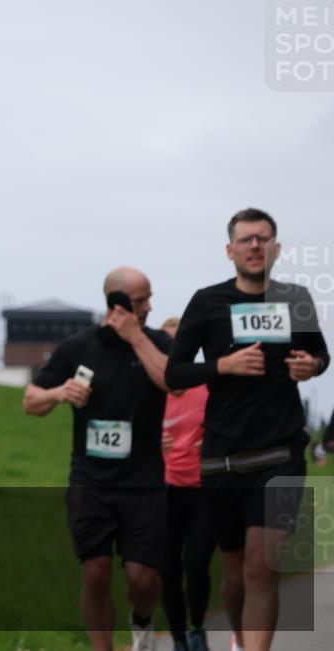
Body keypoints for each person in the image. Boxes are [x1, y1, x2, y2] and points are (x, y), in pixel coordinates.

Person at [165, 208, 329, 651]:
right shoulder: (207, 302)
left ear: (276, 248)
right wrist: (222, 366)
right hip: (223, 459)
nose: (255, 246)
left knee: (262, 569)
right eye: (246, 239)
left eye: (263, 238)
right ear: (230, 250)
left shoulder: (295, 298)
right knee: (235, 575)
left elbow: (320, 355)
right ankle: (240, 640)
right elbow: (174, 374)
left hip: (279, 455)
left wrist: (311, 365)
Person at [23, 266, 171, 651]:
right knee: (96, 572)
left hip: (144, 484)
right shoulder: (78, 348)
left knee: (142, 578)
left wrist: (137, 338)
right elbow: (30, 402)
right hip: (91, 482)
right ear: (116, 303)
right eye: (141, 301)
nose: (150, 306)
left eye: (149, 298)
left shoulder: (158, 344)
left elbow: (172, 382)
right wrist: (60, 392)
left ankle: (142, 620)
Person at [159, 317, 214, 651]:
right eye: (165, 344)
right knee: (167, 570)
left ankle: (197, 628)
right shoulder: (153, 388)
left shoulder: (207, 387)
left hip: (202, 489)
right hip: (164, 490)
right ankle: (179, 638)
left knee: (196, 563)